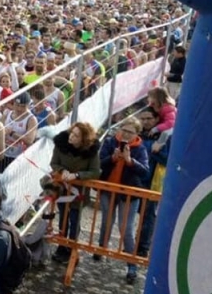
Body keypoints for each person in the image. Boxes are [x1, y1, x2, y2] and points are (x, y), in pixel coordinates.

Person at [96, 117, 149, 283]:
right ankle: (100, 248)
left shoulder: (140, 149)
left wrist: (130, 161)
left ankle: (131, 264)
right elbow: (99, 163)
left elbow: (145, 171)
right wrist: (112, 158)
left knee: (125, 229)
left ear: (137, 134)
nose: (125, 134)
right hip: (108, 190)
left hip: (128, 194)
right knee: (106, 221)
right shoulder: (110, 142)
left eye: (130, 132)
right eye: (123, 130)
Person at [43, 122, 101, 264]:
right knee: (63, 219)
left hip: (79, 193)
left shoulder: (91, 151)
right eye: (72, 133)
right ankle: (62, 247)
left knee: (75, 221)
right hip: (63, 190)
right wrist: (63, 171)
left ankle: (71, 248)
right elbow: (54, 163)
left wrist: (77, 175)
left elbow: (95, 171)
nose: (71, 137)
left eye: (76, 136)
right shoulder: (61, 144)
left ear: (83, 140)